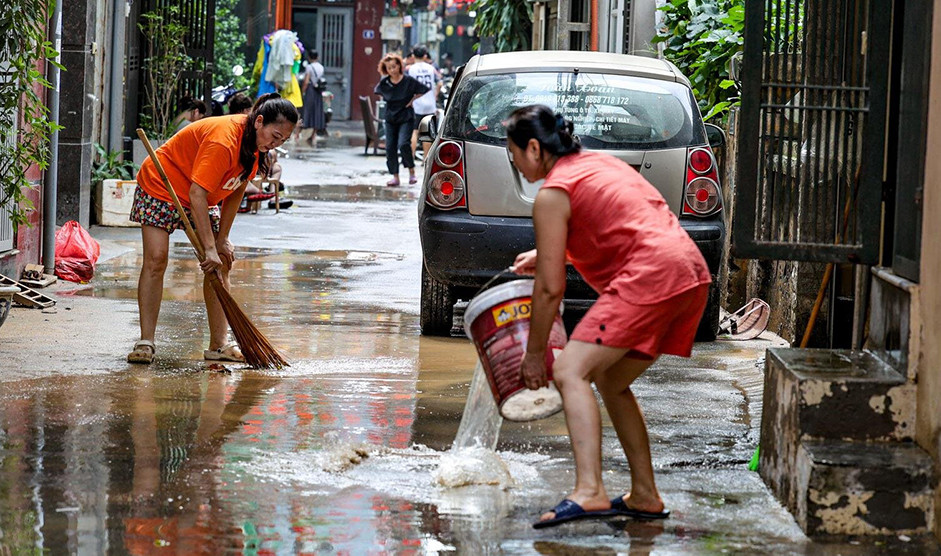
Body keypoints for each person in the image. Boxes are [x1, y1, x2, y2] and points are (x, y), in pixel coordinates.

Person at [506, 105, 712, 528]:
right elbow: (621, 222)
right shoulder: (597, 163)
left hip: (650, 276)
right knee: (611, 380)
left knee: (569, 372)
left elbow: (549, 291)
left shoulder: (552, 193)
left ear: (532, 147)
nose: (512, 162)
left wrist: (534, 354)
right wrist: (550, 253)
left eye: (512, 152)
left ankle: (589, 491)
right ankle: (645, 495)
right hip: (688, 271)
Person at [126, 94, 299, 365]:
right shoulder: (224, 140)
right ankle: (146, 341)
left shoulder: (254, 145)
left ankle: (218, 345)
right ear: (260, 122)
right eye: (275, 136)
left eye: (282, 141)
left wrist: (222, 239)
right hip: (162, 185)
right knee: (156, 260)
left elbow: (237, 187)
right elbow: (197, 193)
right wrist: (208, 247)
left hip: (201, 194)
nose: (275, 144)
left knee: (221, 264)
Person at [374, 53, 429, 187]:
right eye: (389, 68)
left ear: (399, 65)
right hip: (391, 117)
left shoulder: (408, 81)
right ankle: (395, 177)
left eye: (394, 66)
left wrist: (412, 100)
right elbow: (378, 91)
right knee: (390, 147)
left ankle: (411, 171)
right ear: (386, 69)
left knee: (403, 144)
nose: (392, 70)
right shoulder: (385, 83)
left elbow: (424, 89)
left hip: (406, 116)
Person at [406, 46, 440, 160]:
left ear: (413, 55)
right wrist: (435, 96)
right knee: (426, 133)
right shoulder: (431, 68)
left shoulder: (410, 69)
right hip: (430, 104)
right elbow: (439, 82)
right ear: (425, 55)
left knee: (414, 131)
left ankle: (410, 157)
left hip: (416, 104)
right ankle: (425, 159)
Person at [300, 50, 326, 146]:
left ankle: (301, 133)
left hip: (310, 90)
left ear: (309, 57)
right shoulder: (321, 67)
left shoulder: (309, 67)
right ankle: (314, 134)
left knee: (307, 110)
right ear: (317, 57)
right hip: (318, 91)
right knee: (317, 111)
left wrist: (302, 92)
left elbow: (306, 81)